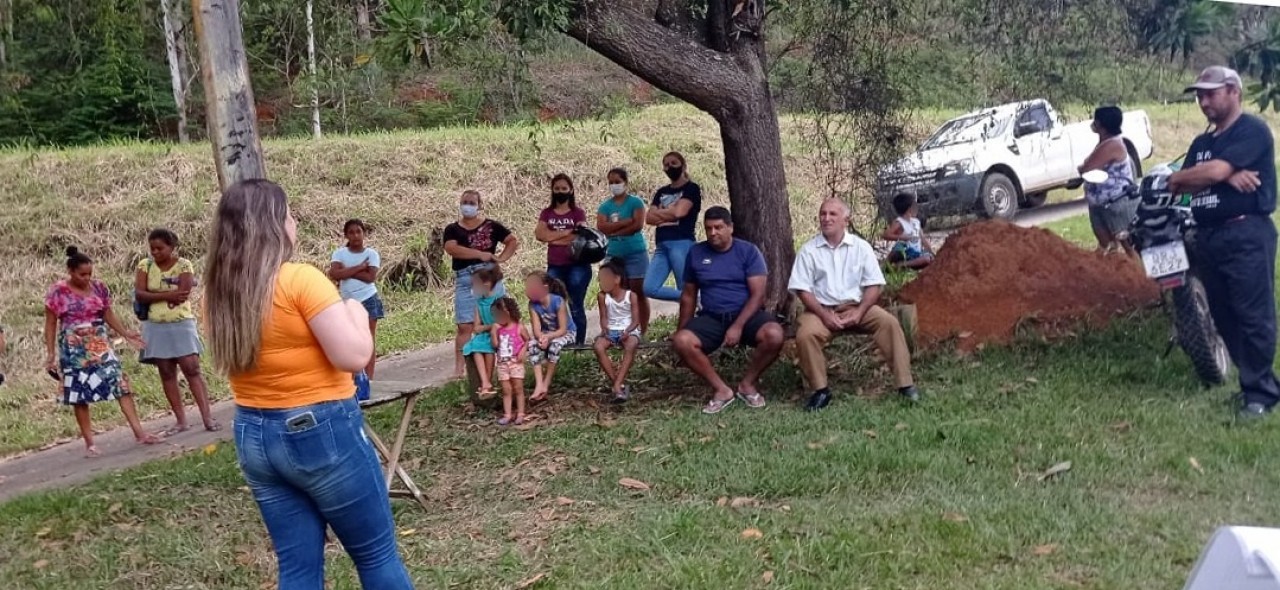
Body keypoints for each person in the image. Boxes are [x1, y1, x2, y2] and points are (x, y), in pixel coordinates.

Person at [202, 179, 414, 589]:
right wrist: (353, 309)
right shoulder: (300, 280)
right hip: (321, 431)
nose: (294, 221)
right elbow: (353, 356)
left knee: (298, 568)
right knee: (376, 555)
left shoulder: (217, 293)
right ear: (272, 225)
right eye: (288, 214)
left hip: (254, 436)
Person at [1168, 66, 1279, 420]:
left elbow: (1206, 176)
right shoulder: (1202, 143)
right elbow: (1181, 184)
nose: (1203, 102)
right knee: (1224, 316)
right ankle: (1255, 386)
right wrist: (1226, 172)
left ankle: (1260, 395)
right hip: (1209, 236)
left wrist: (1217, 172)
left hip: (1245, 232)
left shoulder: (1253, 130)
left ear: (1233, 91)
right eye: (1199, 95)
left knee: (1253, 316)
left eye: (1210, 93)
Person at [791, 198, 921, 411]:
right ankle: (820, 391)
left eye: (833, 214)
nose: (826, 218)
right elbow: (802, 290)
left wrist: (859, 312)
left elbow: (874, 285)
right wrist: (824, 315)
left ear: (846, 220)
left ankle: (905, 384)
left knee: (888, 323)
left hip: (857, 307)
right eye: (823, 214)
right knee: (805, 334)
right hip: (821, 310)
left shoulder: (861, 248)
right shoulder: (809, 250)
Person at [45, 246, 162, 457]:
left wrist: (125, 333)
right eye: (82, 274)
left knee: (120, 383)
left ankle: (140, 433)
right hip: (73, 349)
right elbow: (51, 324)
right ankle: (90, 443)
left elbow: (107, 313)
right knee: (80, 395)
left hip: (99, 344)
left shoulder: (98, 287)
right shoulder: (57, 292)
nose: (87, 278)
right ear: (70, 271)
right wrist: (50, 354)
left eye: (90, 273)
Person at [671, 207, 785, 414]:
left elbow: (758, 295)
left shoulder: (748, 252)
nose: (713, 233)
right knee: (682, 341)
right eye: (708, 228)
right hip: (712, 317)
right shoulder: (696, 253)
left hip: (747, 315)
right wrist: (682, 328)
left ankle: (747, 385)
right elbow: (688, 295)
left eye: (718, 227)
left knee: (775, 335)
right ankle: (722, 390)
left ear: (730, 228)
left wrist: (737, 326)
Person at [135, 228, 218, 434]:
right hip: (155, 325)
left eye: (160, 248)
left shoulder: (184, 265)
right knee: (166, 371)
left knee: (192, 369)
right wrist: (167, 295)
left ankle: (207, 417)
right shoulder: (144, 265)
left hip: (181, 322)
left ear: (172, 247)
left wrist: (154, 294)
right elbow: (140, 294)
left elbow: (183, 293)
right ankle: (181, 420)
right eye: (152, 248)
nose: (155, 252)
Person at [444, 189, 518, 378]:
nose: (467, 205)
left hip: (489, 276)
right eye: (465, 201)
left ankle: (505, 361)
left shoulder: (491, 226)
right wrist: (479, 254)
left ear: (479, 205)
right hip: (465, 277)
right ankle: (459, 370)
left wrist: (500, 259)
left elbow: (511, 240)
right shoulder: (452, 229)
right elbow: (452, 248)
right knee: (465, 325)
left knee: (498, 319)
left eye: (472, 202)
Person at [1078, 105, 1144, 254]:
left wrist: (1082, 167)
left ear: (1101, 125)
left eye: (1096, 121)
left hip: (1115, 204)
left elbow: (1086, 168)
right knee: (1108, 247)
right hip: (1100, 204)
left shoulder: (1112, 145)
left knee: (1129, 247)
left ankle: (1139, 274)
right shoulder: (1104, 143)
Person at [536, 173, 590, 346]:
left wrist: (553, 238)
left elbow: (579, 237)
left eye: (564, 188)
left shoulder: (578, 212)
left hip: (577, 265)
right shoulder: (547, 213)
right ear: (552, 190)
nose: (560, 191)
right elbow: (540, 235)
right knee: (554, 304)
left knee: (575, 305)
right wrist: (567, 233)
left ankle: (579, 344)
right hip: (555, 265)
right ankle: (559, 341)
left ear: (571, 190)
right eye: (557, 188)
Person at [597, 167, 650, 333]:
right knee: (615, 291)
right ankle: (618, 328)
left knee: (638, 291)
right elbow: (602, 227)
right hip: (614, 253)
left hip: (636, 252)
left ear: (625, 182)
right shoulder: (605, 206)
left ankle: (643, 330)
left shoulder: (636, 202)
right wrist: (625, 222)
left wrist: (614, 230)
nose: (614, 185)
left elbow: (637, 225)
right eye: (611, 182)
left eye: (617, 181)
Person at [644, 152, 702, 301]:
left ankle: (691, 312)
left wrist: (662, 212)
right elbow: (649, 218)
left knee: (684, 285)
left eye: (673, 163)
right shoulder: (662, 192)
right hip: (661, 245)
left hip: (681, 243)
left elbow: (680, 212)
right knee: (649, 288)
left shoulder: (691, 188)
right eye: (666, 164)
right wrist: (671, 212)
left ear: (683, 165)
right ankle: (694, 300)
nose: (670, 167)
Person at [328, 219, 383, 378]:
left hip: (368, 298)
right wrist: (359, 267)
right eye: (351, 232)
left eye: (358, 231)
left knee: (369, 338)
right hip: (348, 301)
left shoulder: (371, 254)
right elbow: (335, 274)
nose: (356, 235)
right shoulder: (339, 253)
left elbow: (370, 277)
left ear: (364, 233)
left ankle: (369, 377)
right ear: (346, 235)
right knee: (350, 339)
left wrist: (347, 271)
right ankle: (352, 378)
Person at [593, 259, 642, 404]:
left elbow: (636, 320)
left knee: (631, 345)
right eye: (600, 279)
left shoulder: (631, 296)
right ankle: (618, 384)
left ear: (617, 279)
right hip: (612, 330)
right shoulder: (602, 297)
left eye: (605, 278)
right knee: (598, 346)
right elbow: (603, 318)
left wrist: (627, 331)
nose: (602, 282)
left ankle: (617, 384)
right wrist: (605, 330)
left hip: (629, 329)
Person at [526, 271, 577, 403]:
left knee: (555, 346)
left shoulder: (558, 301)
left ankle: (546, 383)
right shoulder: (532, 305)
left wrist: (548, 337)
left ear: (545, 288)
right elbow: (536, 329)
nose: (529, 289)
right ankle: (539, 383)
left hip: (566, 333)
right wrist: (541, 338)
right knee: (532, 345)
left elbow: (562, 329)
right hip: (547, 333)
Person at [461, 265, 505, 399]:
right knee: (475, 347)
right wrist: (489, 327)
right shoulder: (479, 303)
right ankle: (485, 382)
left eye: (475, 284)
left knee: (488, 347)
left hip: (499, 334)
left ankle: (487, 383)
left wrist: (488, 327)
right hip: (485, 335)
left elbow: (502, 322)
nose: (473, 288)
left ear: (486, 284)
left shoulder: (499, 301)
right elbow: (476, 327)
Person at [490, 297, 530, 426]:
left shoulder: (519, 327)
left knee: (518, 388)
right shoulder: (498, 329)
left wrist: (523, 351)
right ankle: (507, 414)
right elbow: (495, 345)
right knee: (506, 389)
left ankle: (521, 413)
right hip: (502, 364)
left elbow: (528, 341)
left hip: (515, 362)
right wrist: (493, 332)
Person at [882, 194, 936, 269]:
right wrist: (903, 237)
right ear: (909, 209)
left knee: (928, 259)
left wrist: (932, 252)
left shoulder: (916, 222)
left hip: (916, 254)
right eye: (915, 206)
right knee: (899, 247)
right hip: (906, 252)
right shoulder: (899, 222)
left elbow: (923, 239)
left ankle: (902, 265)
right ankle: (887, 265)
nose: (917, 208)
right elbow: (886, 235)